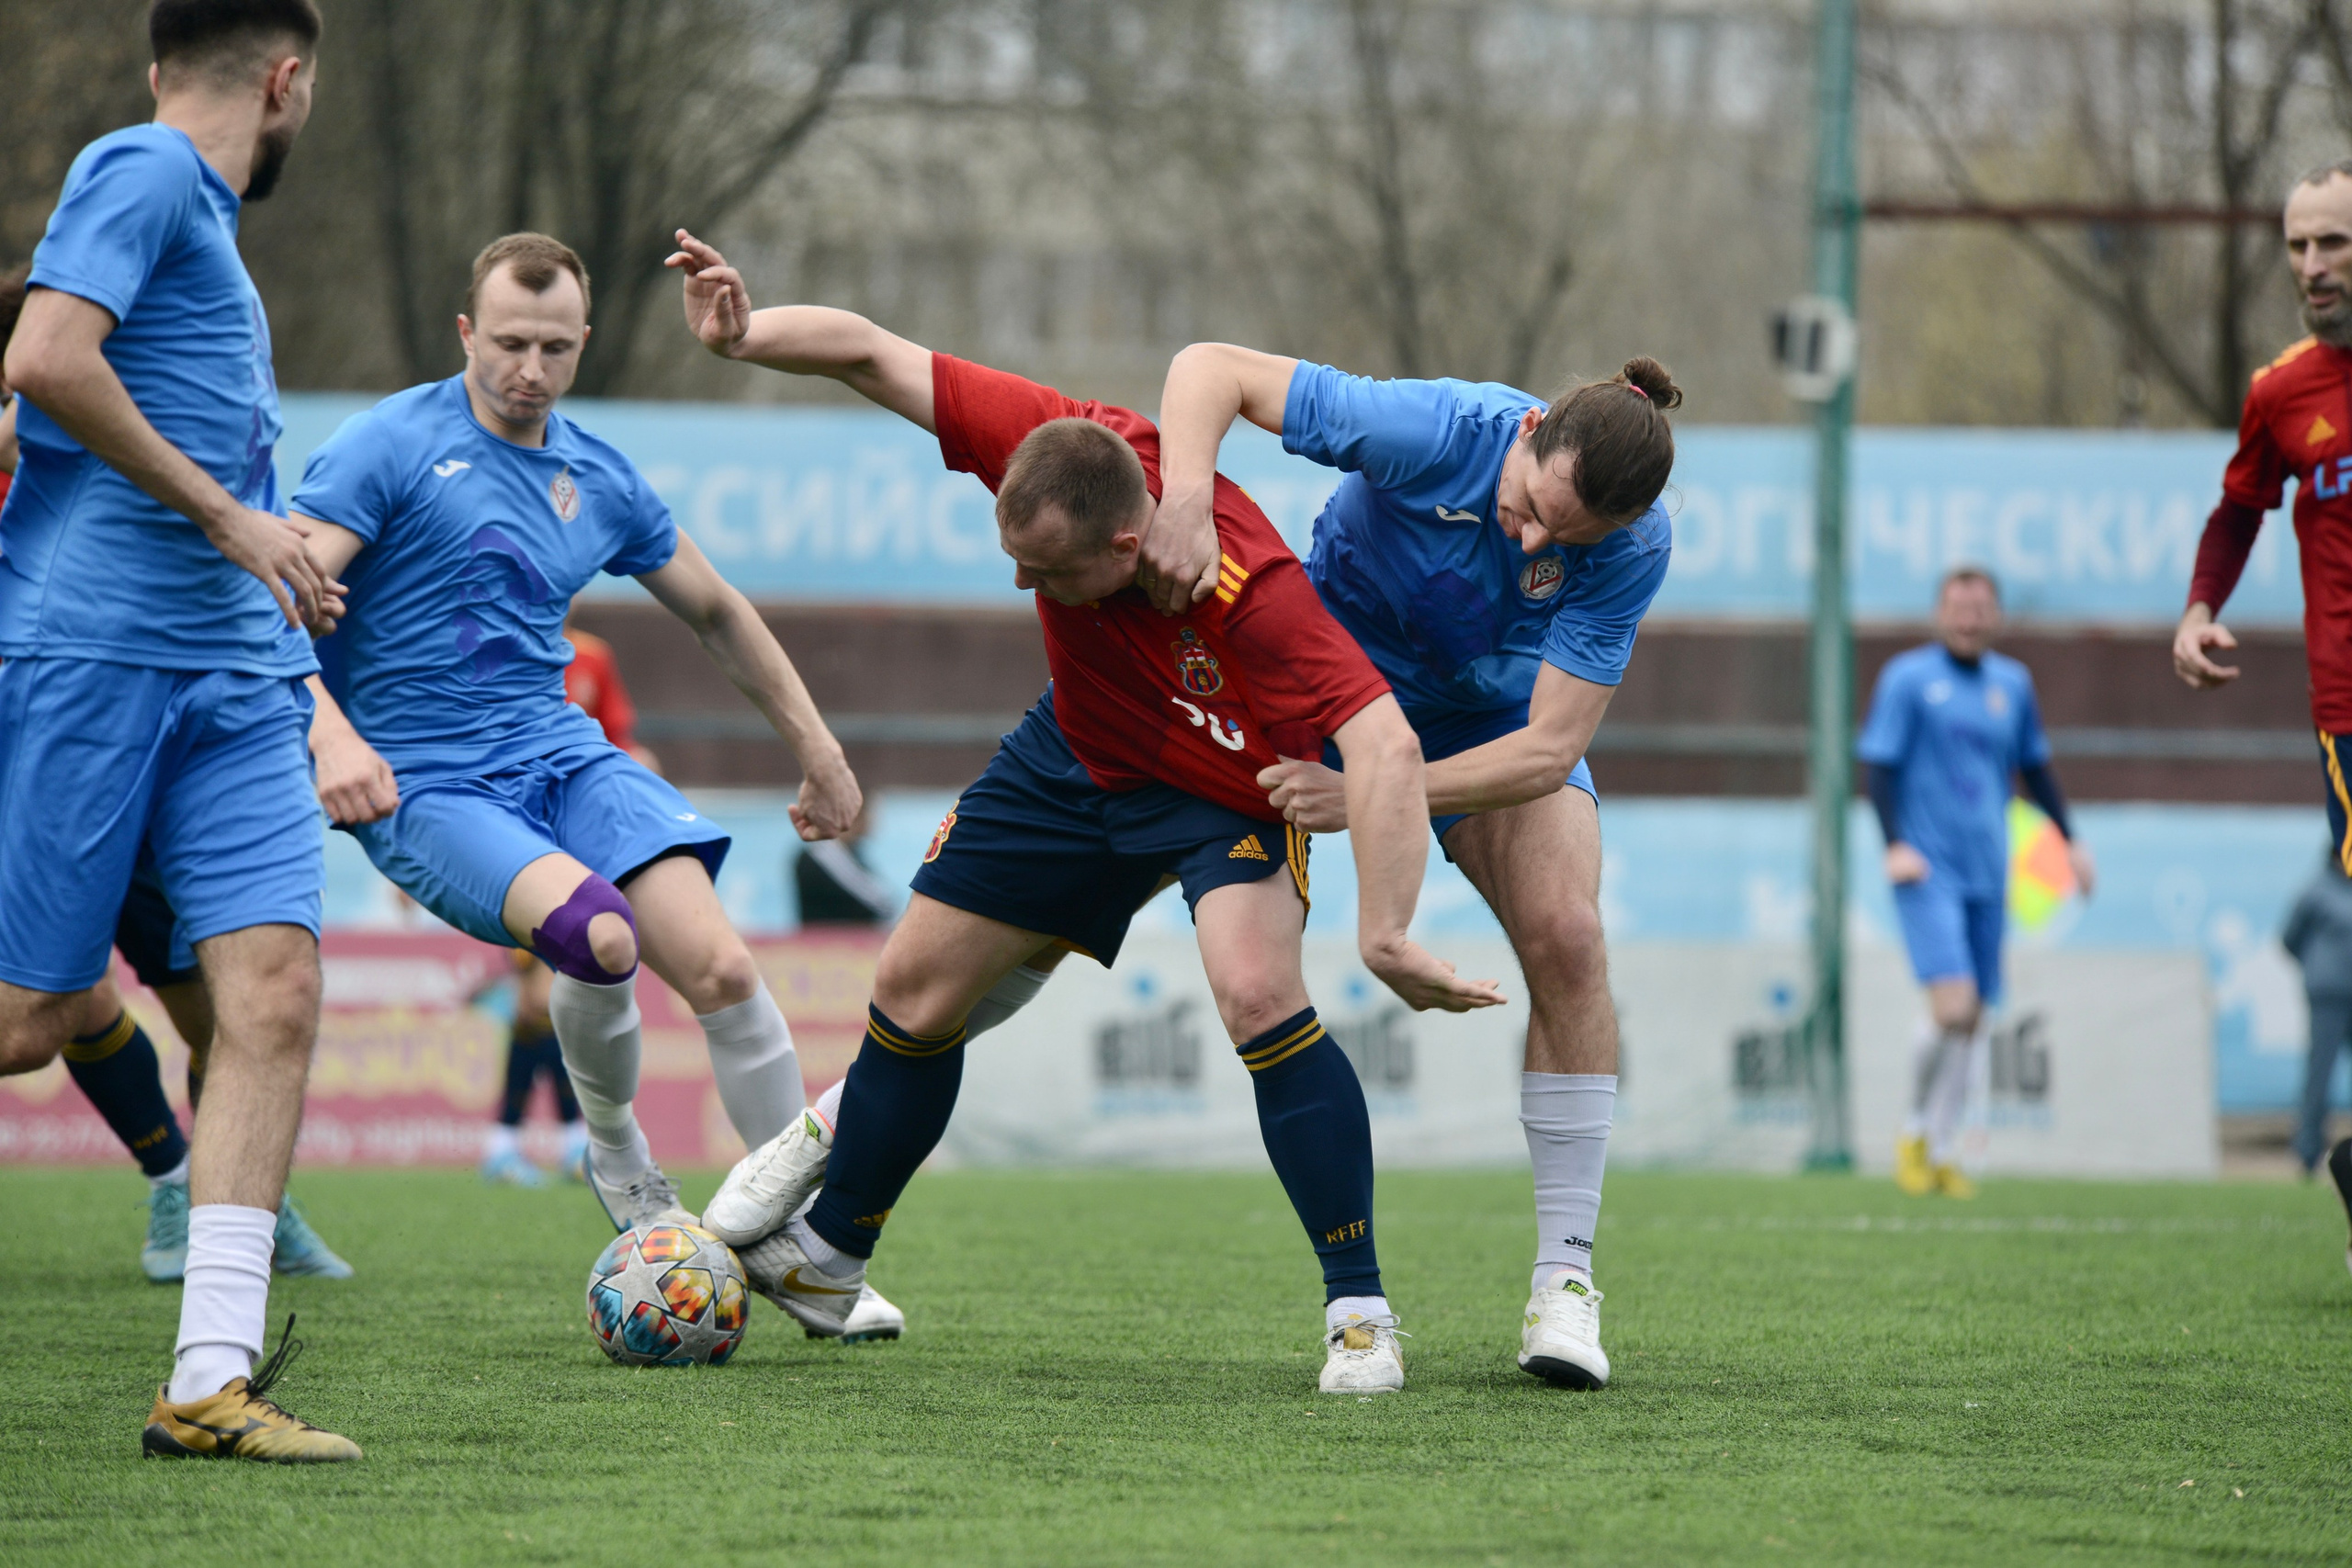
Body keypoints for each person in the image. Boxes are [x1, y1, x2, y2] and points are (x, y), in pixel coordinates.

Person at [670, 231, 1502, 1395]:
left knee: (1258, 994)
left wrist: (1389, 932)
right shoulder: (1053, 449)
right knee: (911, 992)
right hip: (1075, 756)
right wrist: (746, 335)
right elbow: (870, 353)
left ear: (1127, 545)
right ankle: (830, 1255)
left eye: (1046, 574)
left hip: (1228, 797)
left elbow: (1386, 745)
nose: (1025, 587)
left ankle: (1359, 1311)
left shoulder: (1251, 594)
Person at [288, 231, 901, 1342]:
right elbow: (271, 599)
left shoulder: (597, 475)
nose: (531, 367)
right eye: (510, 341)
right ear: (468, 333)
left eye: (555, 347)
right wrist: (331, 738)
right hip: (425, 780)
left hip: (559, 753)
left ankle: (801, 1255)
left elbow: (716, 610)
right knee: (602, 936)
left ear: (583, 344)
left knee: (719, 964)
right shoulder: (387, 444)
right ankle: (619, 1160)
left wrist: (818, 749)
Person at [1096, 339, 1678, 1392]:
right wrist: (1184, 497)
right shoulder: (1433, 430)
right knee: (1086, 871)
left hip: (1484, 729)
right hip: (1319, 687)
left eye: (1568, 537)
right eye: (1535, 505)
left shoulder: (1633, 547)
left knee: (1570, 937)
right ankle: (856, 1119)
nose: (1537, 539)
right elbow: (1206, 369)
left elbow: (1547, 750)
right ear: (1531, 430)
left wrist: (1382, 791)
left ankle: (1565, 1284)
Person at [0, 0, 359, 1462]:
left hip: (232, 682)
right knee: (30, 1016)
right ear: (286, 82)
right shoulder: (145, 167)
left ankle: (208, 1380)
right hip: (96, 660)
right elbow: (44, 354)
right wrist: (228, 513)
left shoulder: (199, 222)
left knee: (271, 992)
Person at [2174, 156, 2352, 1253]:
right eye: (2296, 245)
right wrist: (2199, 609)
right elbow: (2238, 511)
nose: (2312, 265)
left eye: (2332, 242)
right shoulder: (2282, 390)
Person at [1859, 568, 2094, 1199]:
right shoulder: (1908, 679)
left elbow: (2036, 766)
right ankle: (1911, 1131)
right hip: (1927, 870)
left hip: (1990, 870)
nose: (1968, 618)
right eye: (1958, 607)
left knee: (1975, 1019)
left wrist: (2070, 840)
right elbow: (1878, 763)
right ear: (1939, 612)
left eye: (1980, 608)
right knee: (1952, 1005)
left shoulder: (2012, 684)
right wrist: (1895, 844)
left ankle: (1940, 1148)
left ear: (1996, 615)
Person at [478, 950, 586, 1186]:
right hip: (527, 1028)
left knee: (567, 1094)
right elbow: (519, 967)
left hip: (553, 1026)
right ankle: (500, 1158)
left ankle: (576, 1156)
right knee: (517, 1095)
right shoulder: (525, 941)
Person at [2282, 852, 2352, 1174]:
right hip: (2328, 997)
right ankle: (2309, 1152)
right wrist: (2319, 969)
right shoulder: (2316, 890)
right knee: (2320, 1075)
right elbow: (2290, 939)